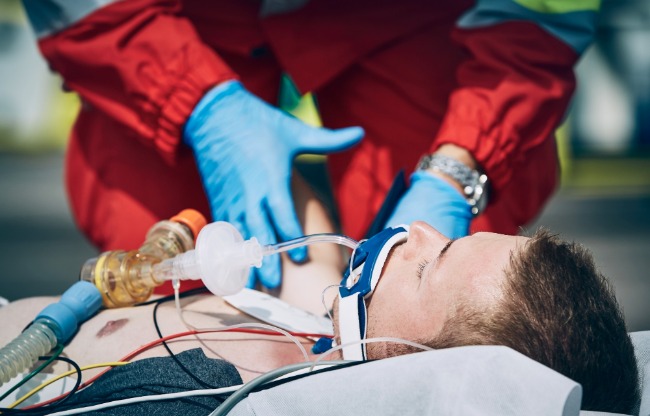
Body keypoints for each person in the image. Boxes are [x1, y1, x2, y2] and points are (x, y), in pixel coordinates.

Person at [20, 0, 600, 290]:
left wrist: (456, 167)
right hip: (173, 17)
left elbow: (544, 14)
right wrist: (199, 104)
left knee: (469, 261)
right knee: (165, 274)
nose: (420, 240)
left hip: (404, 14)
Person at [0, 187, 639, 416]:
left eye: (426, 265)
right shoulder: (312, 324)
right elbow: (300, 201)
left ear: (421, 371)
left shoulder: (198, 408)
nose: (413, 229)